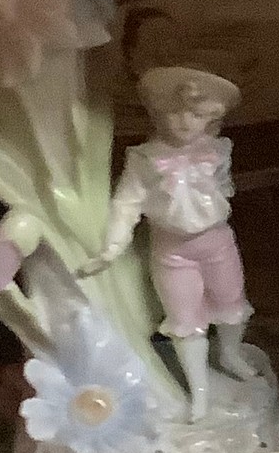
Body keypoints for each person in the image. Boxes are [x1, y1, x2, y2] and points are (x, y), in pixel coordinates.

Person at [82, 66, 255, 415]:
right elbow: (126, 203)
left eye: (198, 115)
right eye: (177, 113)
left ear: (211, 118)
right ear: (159, 113)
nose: (186, 123)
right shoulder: (145, 159)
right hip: (173, 251)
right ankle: (200, 389)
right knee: (184, 320)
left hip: (217, 242)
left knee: (232, 303)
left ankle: (230, 354)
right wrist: (113, 246)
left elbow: (224, 187)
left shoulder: (218, 150)